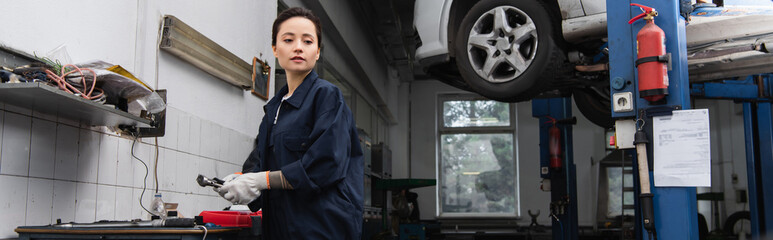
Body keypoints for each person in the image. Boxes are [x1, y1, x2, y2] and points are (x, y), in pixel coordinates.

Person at [215, 7, 364, 239]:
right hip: (280, 228)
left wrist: (261, 180)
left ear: (317, 52)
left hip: (321, 229)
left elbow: (325, 165)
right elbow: (258, 166)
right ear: (275, 49)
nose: (298, 47)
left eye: (307, 41)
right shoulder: (274, 109)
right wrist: (239, 183)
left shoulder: (326, 96)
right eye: (288, 39)